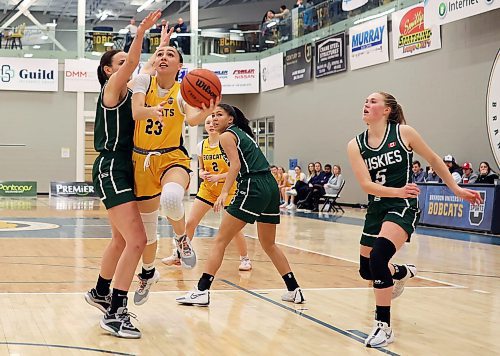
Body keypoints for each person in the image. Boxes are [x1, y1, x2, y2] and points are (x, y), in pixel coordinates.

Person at [347, 92, 481, 348]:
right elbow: (366, 184)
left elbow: (433, 159)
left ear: (387, 110)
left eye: (373, 101)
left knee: (378, 258)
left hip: (403, 204)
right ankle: (401, 272)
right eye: (365, 100)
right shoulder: (355, 144)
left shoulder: (404, 133)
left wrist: (457, 189)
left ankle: (383, 327)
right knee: (367, 270)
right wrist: (395, 190)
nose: (366, 104)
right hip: (377, 207)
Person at [176, 104, 305, 306]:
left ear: (230, 119)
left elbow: (235, 165)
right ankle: (294, 288)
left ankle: (201, 290)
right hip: (269, 185)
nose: (214, 118)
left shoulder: (227, 136)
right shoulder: (242, 135)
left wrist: (225, 192)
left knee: (220, 240)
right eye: (212, 115)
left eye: (219, 115)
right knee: (268, 243)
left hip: (252, 185)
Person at [84, 11, 162, 339]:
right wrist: (141, 32)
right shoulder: (111, 91)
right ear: (108, 70)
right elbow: (133, 66)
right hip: (112, 167)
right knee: (138, 240)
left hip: (124, 169)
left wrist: (163, 49)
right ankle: (115, 312)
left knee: (120, 240)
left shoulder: (132, 96)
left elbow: (144, 69)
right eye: (118, 61)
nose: (125, 65)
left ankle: (101, 292)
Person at [130, 30, 219, 306]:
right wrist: (161, 45)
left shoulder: (183, 92)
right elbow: (146, 68)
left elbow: (192, 119)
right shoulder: (144, 83)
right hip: (141, 161)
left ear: (181, 66)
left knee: (171, 198)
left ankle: (181, 239)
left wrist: (207, 109)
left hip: (171, 158)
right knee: (147, 234)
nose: (164, 58)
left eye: (171, 55)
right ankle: (147, 273)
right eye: (160, 55)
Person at [161, 116, 252, 271]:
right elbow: (202, 167)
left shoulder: (227, 142)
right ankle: (179, 253)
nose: (211, 125)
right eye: (208, 122)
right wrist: (202, 173)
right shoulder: (201, 145)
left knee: (233, 229)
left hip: (229, 189)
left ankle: (245, 259)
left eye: (213, 122)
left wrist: (219, 176)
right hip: (208, 189)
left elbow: (236, 169)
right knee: (190, 223)